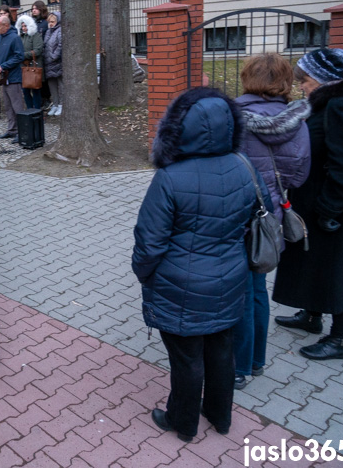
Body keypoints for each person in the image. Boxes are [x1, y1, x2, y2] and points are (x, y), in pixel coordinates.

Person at [133, 87, 266, 441]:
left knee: (187, 358)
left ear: (179, 127)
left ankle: (182, 421)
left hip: (181, 286)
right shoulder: (243, 165)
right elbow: (257, 215)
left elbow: (149, 242)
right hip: (230, 278)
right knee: (222, 352)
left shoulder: (170, 177)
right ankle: (220, 417)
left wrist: (144, 275)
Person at [273, 48, 343, 360]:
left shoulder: (342, 106)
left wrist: (330, 208)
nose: (301, 86)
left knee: (340, 270)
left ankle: (339, 339)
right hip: (323, 202)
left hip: (340, 209)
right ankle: (311, 315)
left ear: (323, 80)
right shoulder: (329, 103)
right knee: (317, 263)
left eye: (304, 80)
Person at [233, 53, 311, 389]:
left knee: (239, 291)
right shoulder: (298, 120)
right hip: (271, 216)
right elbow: (300, 172)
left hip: (237, 214)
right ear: (285, 81)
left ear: (248, 77)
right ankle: (255, 361)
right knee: (258, 289)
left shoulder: (234, 116)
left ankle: (238, 368)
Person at [0, 16, 25, 142]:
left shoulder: (14, 38)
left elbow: (19, 56)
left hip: (13, 77)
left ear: (6, 25)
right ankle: (12, 130)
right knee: (8, 106)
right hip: (3, 77)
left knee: (17, 106)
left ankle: (22, 132)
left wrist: (4, 66)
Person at [16, 14, 43, 111]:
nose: (24, 28)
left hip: (33, 67)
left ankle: (37, 111)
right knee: (25, 91)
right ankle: (29, 111)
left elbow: (38, 50)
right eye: (22, 26)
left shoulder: (35, 35)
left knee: (36, 90)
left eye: (25, 26)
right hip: (23, 67)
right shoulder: (20, 37)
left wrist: (23, 55)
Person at [43, 12, 63, 116]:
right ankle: (55, 104)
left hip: (56, 62)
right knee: (52, 86)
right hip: (48, 63)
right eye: (49, 22)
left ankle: (61, 105)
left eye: (52, 21)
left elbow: (60, 44)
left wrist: (54, 56)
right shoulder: (48, 32)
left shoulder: (59, 31)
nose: (50, 24)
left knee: (60, 84)